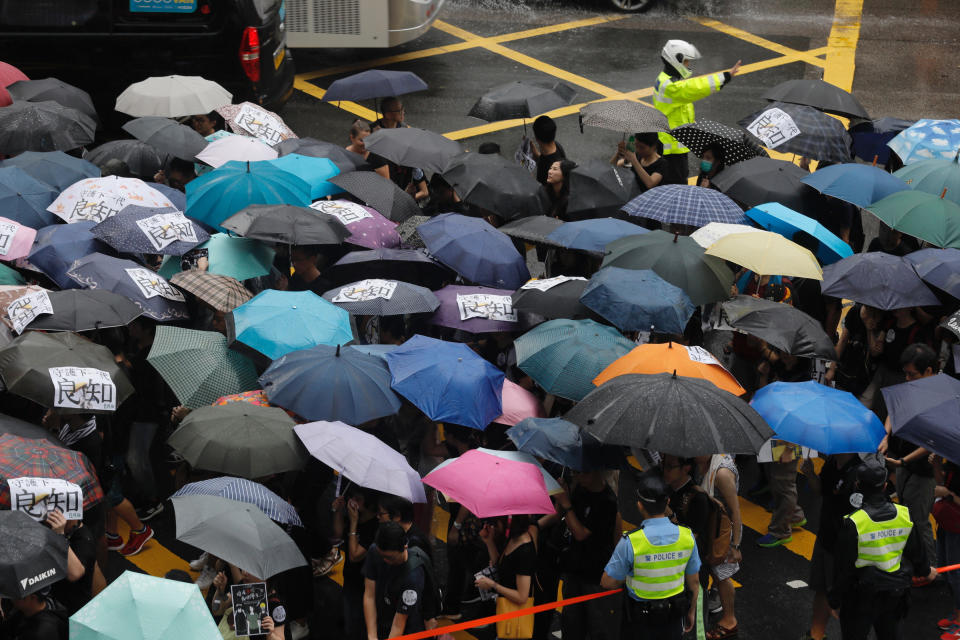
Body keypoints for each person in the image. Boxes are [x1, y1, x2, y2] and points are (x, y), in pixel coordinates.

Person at [828, 460, 937, 640]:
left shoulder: (854, 522)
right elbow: (917, 552)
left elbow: (844, 568)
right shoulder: (904, 514)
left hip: (860, 597)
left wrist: (835, 600)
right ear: (885, 485)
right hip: (895, 593)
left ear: (858, 485)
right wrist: (926, 571)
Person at [601, 472, 701, 639]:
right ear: (667, 502)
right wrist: (690, 612)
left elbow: (608, 582)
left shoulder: (631, 542)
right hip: (674, 619)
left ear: (639, 505)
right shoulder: (687, 536)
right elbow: (694, 582)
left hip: (640, 623)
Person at [881, 343, 940, 576]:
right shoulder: (912, 388)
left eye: (911, 374)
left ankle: (930, 569)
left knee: (919, 519)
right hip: (903, 461)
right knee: (905, 513)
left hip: (923, 470)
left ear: (928, 371)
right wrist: (886, 435)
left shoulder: (939, 396)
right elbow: (894, 411)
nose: (906, 379)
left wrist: (903, 462)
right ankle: (913, 559)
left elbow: (932, 442)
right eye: (905, 373)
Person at [653, 40, 741, 183]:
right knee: (678, 186)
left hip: (673, 143)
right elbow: (696, 87)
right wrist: (724, 77)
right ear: (677, 59)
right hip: (672, 149)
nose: (688, 64)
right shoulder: (670, 86)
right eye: (686, 61)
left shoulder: (664, 79)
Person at [799, 453, 860, 640]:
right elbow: (821, 491)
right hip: (825, 536)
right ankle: (816, 634)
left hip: (843, 546)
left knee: (842, 596)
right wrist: (810, 474)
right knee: (821, 587)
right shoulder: (832, 462)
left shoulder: (857, 473)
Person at [554, 471, 622, 640]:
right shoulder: (579, 490)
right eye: (575, 473)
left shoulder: (607, 501)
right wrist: (562, 500)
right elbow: (562, 518)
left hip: (595, 575)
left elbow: (581, 533)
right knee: (571, 624)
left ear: (595, 471)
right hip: (573, 570)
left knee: (598, 627)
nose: (577, 477)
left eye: (582, 473)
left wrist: (566, 503)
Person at [363, 521, 429, 640]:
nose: (385, 561)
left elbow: (399, 624)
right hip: (383, 619)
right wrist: (372, 635)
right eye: (381, 556)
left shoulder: (413, 577)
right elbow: (369, 595)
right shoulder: (375, 551)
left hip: (406, 630)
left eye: (390, 558)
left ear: (405, 547)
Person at [474, 514, 537, 640]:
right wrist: (489, 541)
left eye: (498, 522)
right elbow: (501, 564)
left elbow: (522, 596)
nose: (495, 526)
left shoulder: (524, 550)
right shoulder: (512, 539)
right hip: (505, 612)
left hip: (515, 619)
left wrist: (493, 585)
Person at [0, 588, 69, 640]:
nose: (11, 596)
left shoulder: (38, 634)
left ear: (33, 598)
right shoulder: (48, 604)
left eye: (17, 593)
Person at [530, 115, 566, 185]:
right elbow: (545, 159)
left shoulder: (547, 170)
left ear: (537, 139)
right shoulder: (557, 145)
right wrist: (535, 153)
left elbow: (541, 191)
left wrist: (529, 176)